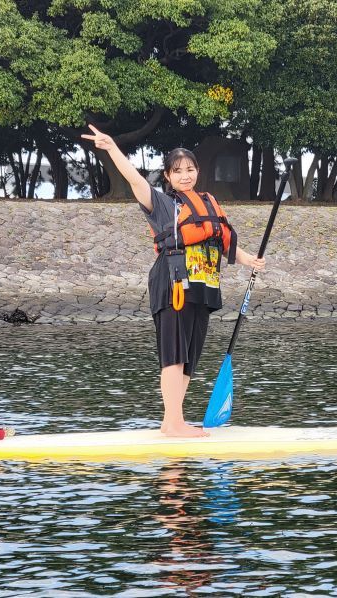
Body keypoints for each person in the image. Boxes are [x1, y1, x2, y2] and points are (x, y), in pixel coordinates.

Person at [81, 124, 265, 437]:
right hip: (173, 282)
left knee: (190, 356)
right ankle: (175, 423)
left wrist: (249, 259)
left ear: (198, 172)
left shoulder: (207, 203)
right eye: (177, 171)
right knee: (174, 353)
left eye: (190, 169)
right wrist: (112, 148)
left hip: (203, 286)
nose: (185, 175)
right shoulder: (163, 204)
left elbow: (223, 242)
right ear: (168, 176)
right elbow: (135, 180)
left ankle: (171, 422)